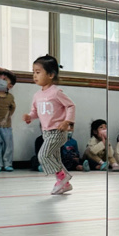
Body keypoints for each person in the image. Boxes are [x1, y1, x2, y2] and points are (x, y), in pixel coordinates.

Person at [23, 55, 76, 195]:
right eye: (33, 72)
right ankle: (65, 184)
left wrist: (67, 121)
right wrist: (30, 116)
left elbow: (70, 106)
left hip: (57, 131)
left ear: (51, 75)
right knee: (55, 158)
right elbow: (35, 111)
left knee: (43, 155)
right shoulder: (37, 95)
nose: (34, 75)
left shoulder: (56, 92)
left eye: (38, 72)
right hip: (46, 132)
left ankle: (63, 178)